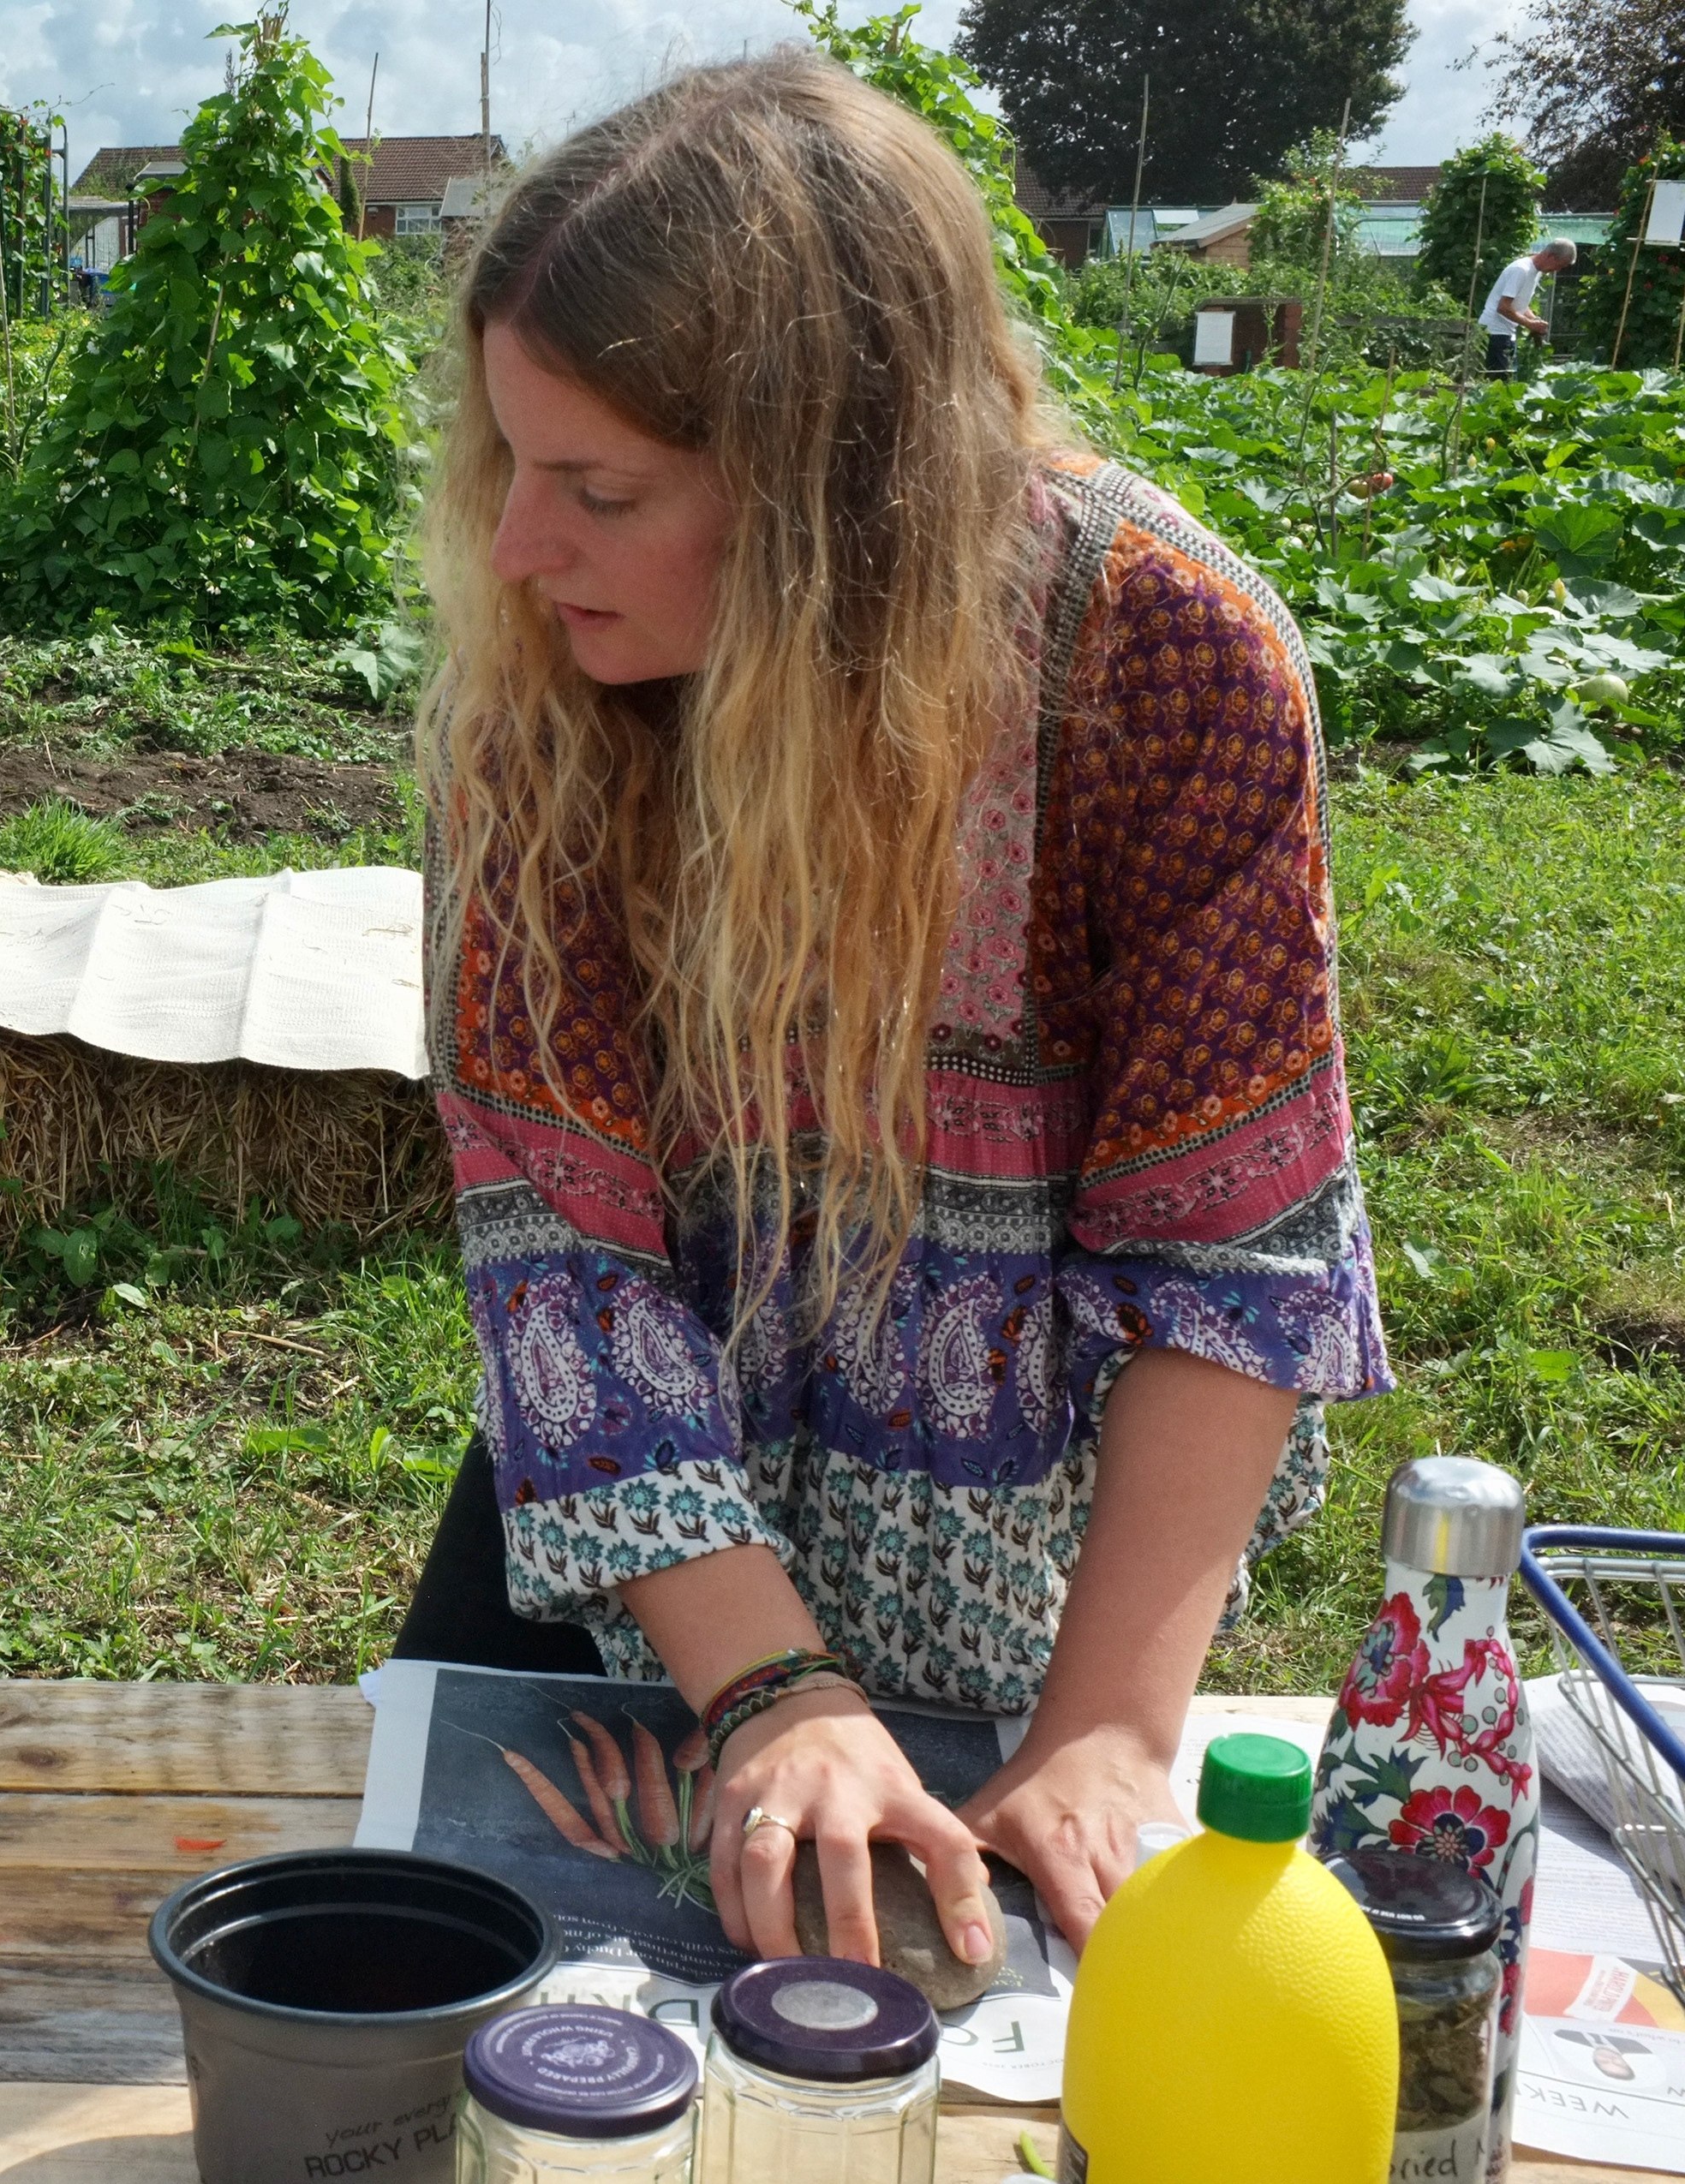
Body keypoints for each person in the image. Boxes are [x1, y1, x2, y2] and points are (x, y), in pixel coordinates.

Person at [393, 53, 1390, 1971]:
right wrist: (772, 1690)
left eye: (600, 489)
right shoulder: (532, 705)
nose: (514, 549)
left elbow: (1234, 1248)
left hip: (1026, 1578)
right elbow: (559, 1240)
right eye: (509, 462)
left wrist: (1104, 1736)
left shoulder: (1173, 662)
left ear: (837, 504)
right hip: (637, 1525)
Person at [1481, 236, 1575, 375]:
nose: (1558, 270)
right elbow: (1503, 307)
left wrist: (1535, 321)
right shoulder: (1521, 270)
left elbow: (1521, 304)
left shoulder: (1535, 272)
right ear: (1550, 256)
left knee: (1507, 379)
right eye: (1559, 265)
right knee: (1499, 380)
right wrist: (1529, 324)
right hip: (1494, 333)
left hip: (1506, 334)